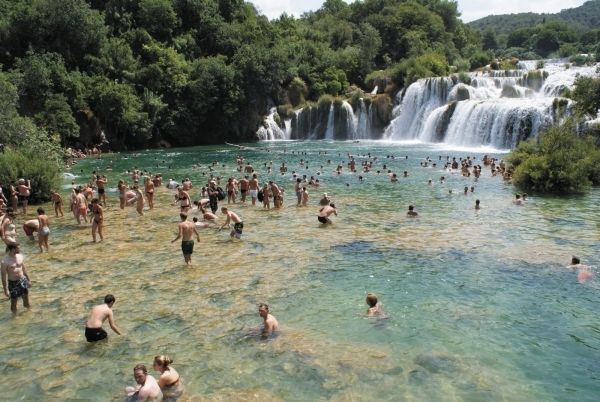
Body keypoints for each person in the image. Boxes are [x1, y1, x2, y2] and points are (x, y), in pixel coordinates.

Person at [1, 243, 31, 314]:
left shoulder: (20, 256)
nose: (20, 249)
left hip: (23, 280)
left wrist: (28, 280)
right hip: (13, 283)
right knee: (14, 302)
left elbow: (24, 269)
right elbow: (3, 276)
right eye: (18, 248)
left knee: (26, 298)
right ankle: (14, 317)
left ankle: (29, 313)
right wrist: (5, 290)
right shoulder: (5, 261)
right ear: (13, 249)